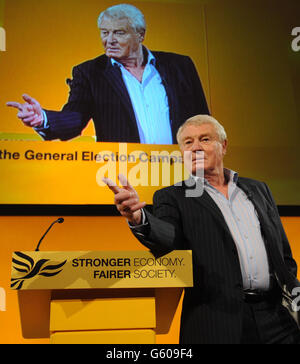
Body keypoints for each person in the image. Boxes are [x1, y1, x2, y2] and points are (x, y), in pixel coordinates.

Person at [103, 114, 300, 344]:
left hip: (277, 321)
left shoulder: (258, 189)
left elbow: (282, 253)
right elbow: (168, 237)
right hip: (215, 323)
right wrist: (139, 217)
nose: (195, 147)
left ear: (223, 145)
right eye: (188, 142)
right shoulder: (173, 196)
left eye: (204, 139)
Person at [6, 4, 209, 144]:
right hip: (125, 175)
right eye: (105, 32)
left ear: (140, 35)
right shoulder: (90, 73)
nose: (109, 40)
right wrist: (43, 118)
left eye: (118, 32)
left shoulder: (180, 66)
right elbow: (75, 118)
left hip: (182, 173)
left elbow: (203, 121)